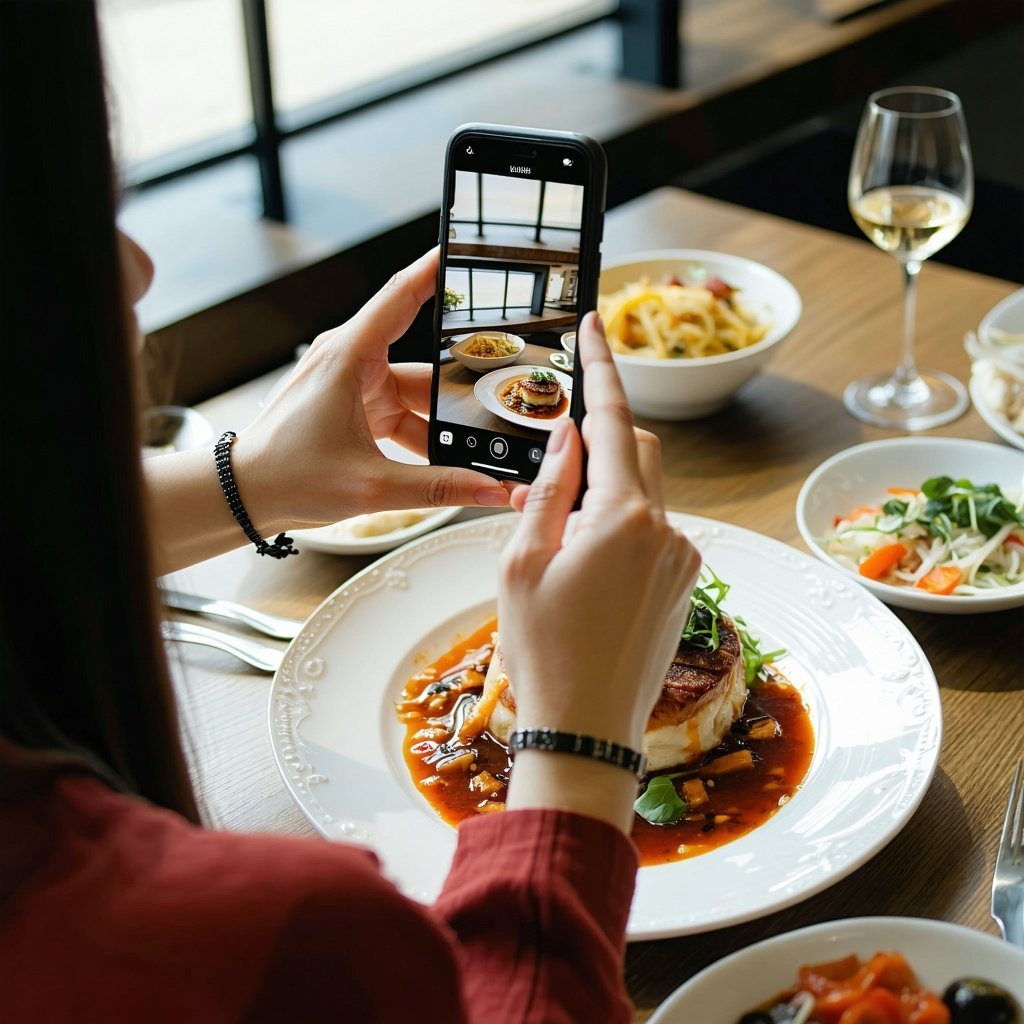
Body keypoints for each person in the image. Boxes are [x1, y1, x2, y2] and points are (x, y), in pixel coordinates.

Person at [0, 2, 701, 1021]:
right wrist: (580, 746)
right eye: (66, 213)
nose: (138, 268)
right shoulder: (287, 933)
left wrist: (249, 480)